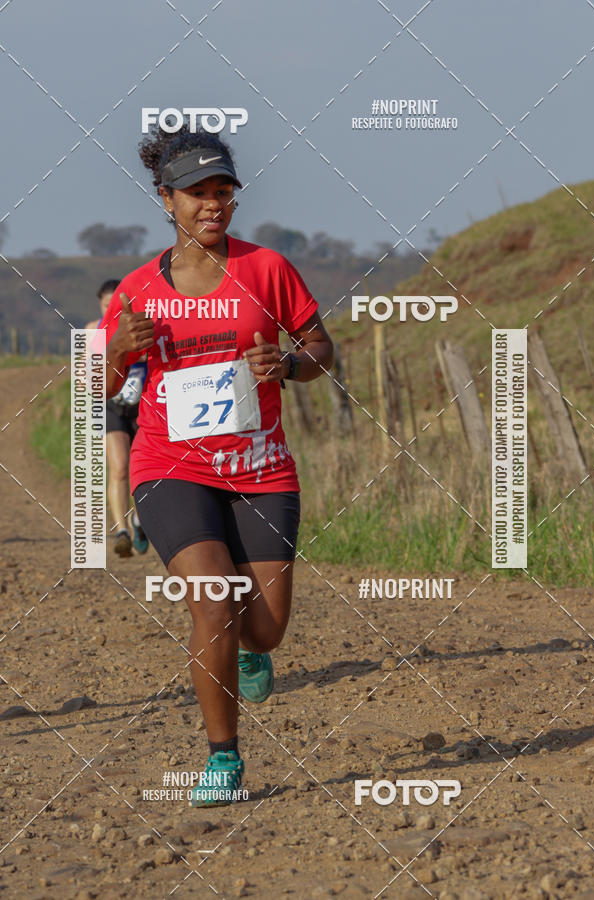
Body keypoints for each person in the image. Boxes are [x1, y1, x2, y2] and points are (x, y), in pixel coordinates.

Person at [98, 125, 333, 807]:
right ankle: (223, 758)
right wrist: (117, 350)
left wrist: (288, 364)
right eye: (196, 192)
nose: (212, 203)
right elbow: (102, 392)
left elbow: (321, 349)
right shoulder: (138, 290)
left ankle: (252, 650)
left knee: (265, 628)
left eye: (222, 190)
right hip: (170, 466)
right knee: (214, 601)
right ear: (165, 199)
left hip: (260, 470)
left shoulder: (268, 269)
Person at [86, 281, 149, 557]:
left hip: (141, 405)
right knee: (120, 467)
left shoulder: (140, 326)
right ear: (100, 305)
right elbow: (87, 372)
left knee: (140, 469)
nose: (111, 310)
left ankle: (139, 520)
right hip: (109, 405)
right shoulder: (92, 330)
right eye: (106, 305)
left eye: (116, 305)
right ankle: (122, 531)